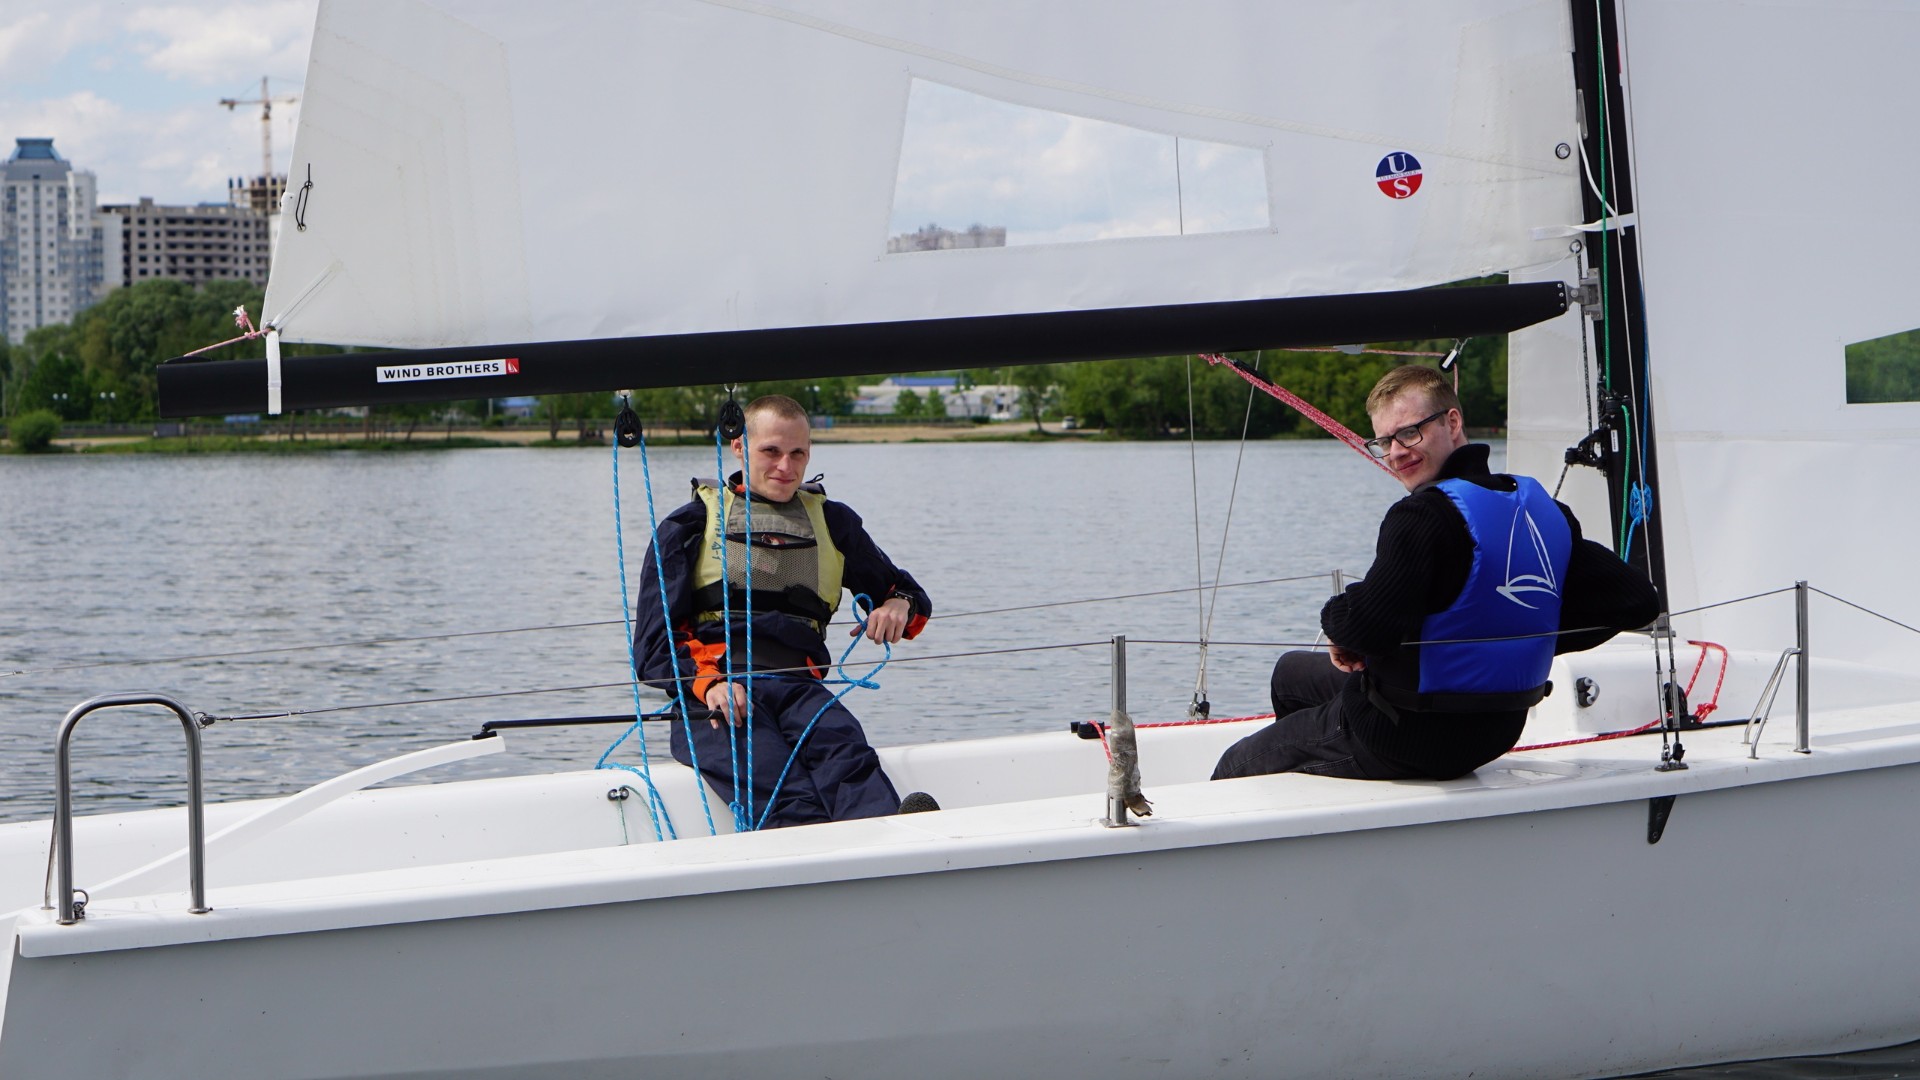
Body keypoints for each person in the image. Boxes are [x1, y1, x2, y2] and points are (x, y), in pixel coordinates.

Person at [1213, 365, 1660, 782]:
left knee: (1237, 762)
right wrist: (1523, 634)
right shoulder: (1544, 512)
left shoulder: (1421, 516)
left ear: (1452, 422)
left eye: (1409, 433)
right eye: (1383, 441)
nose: (1395, 452)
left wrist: (1336, 618)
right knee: (1289, 674)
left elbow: (1368, 628)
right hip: (1496, 730)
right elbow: (1636, 601)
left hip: (1408, 735)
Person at [634, 394, 934, 827]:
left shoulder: (834, 522)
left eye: (798, 454)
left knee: (851, 766)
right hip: (720, 695)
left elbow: (908, 594)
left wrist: (897, 605)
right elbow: (652, 646)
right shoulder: (688, 526)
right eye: (771, 451)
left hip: (801, 690)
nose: (785, 467)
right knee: (786, 796)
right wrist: (709, 684)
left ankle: (902, 850)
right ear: (739, 446)